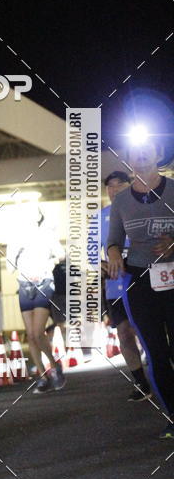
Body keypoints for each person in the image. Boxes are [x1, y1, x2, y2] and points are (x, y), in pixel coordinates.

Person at [107, 140, 174, 438]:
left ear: (159, 155)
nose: (142, 154)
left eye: (149, 149)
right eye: (136, 151)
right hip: (140, 280)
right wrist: (112, 256)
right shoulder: (121, 201)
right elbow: (114, 240)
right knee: (157, 353)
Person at [101, 171, 150, 401]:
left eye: (119, 185)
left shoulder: (141, 209)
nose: (113, 190)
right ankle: (141, 382)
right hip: (115, 285)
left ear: (129, 186)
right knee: (124, 333)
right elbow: (89, 253)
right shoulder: (99, 218)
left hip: (144, 278)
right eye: (110, 186)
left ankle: (160, 371)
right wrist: (99, 264)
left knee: (149, 330)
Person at [6, 206, 65, 393]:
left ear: (39, 216)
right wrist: (17, 257)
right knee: (30, 334)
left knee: (38, 332)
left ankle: (55, 367)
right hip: (24, 285)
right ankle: (42, 376)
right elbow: (9, 267)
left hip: (44, 283)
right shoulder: (15, 238)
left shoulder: (46, 234)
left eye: (33, 213)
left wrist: (49, 263)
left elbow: (61, 255)